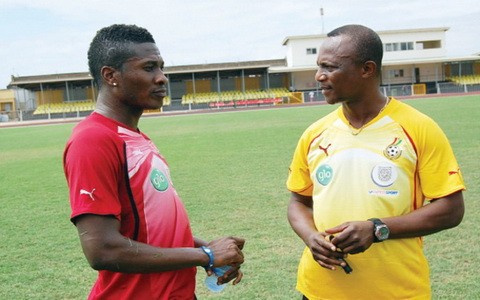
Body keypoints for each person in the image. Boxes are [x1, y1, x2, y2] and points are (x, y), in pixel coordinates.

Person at [63, 24, 245, 300]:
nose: (162, 78)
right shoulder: (93, 140)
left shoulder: (135, 137)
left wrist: (207, 252)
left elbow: (147, 231)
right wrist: (204, 254)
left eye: (161, 67)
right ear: (111, 75)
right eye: (149, 68)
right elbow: (102, 249)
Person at [286, 24, 465, 299]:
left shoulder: (418, 128)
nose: (319, 76)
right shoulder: (314, 134)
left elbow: (451, 209)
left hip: (396, 290)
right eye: (318, 66)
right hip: (319, 289)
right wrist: (310, 236)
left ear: (367, 69)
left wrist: (377, 228)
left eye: (330, 67)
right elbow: (298, 201)